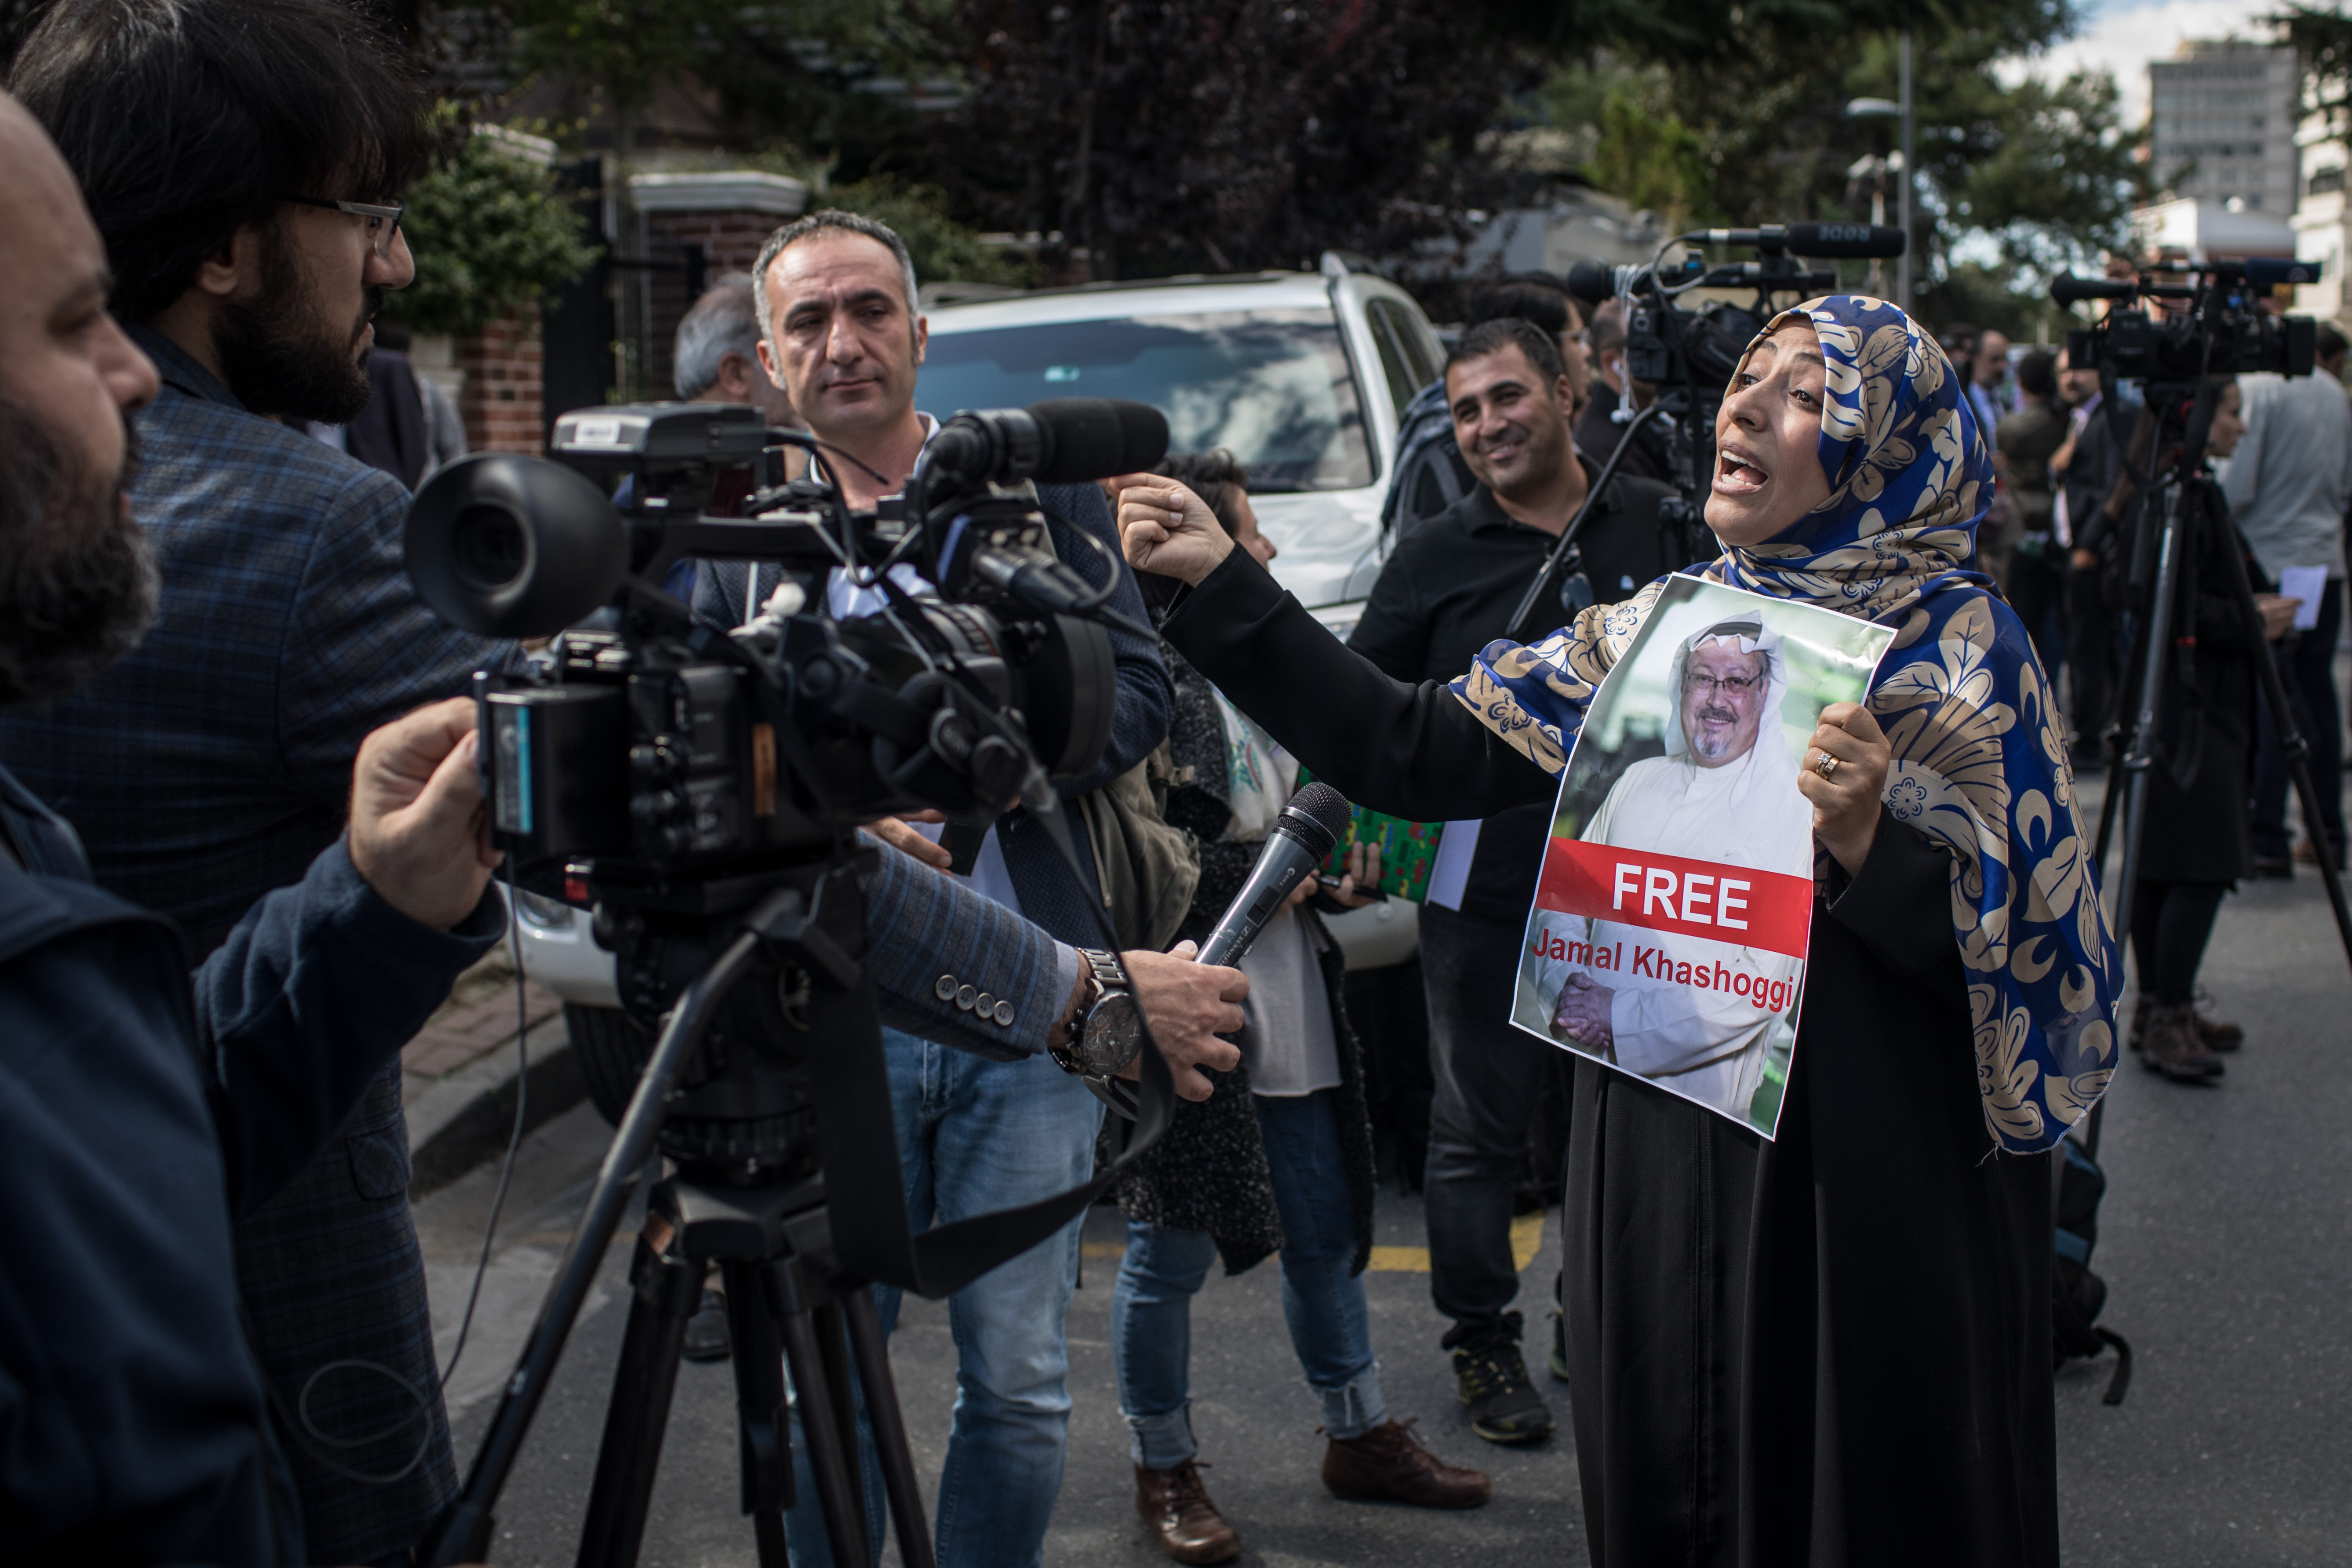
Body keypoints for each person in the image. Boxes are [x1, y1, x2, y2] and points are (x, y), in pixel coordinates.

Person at [1119, 292, 2123, 1566]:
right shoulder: (1662, 627)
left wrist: (1874, 842)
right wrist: (1226, 589)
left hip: (1852, 1176)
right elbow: (1412, 743)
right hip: (1655, 1144)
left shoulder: (1960, 649)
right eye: (1745, 378)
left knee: (1844, 1487)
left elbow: (2031, 952)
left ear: (1888, 447)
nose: (1745, 408)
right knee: (1665, 1461)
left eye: (1807, 394)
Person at [0, 6, 515, 1557]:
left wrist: (366, 905)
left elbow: (130, 1119)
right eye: (68, 321)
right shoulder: (331, 525)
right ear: (232, 245)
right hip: (287, 1386)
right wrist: (1072, 992)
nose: (131, 381)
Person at [705, 207, 1174, 1568]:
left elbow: (1139, 691)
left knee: (1019, 1383)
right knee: (825, 1378)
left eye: (867, 310)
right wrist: (833, 817)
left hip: (1026, 1000)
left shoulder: (1033, 498)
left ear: (918, 331)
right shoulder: (737, 523)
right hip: (824, 1010)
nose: (842, 342)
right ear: (765, 358)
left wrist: (989, 762)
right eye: (809, 320)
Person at [1113, 452, 1490, 1564]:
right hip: (1193, 990)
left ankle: (1358, 1428)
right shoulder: (1141, 677)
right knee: (1169, 1251)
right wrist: (1267, 874)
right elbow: (1129, 855)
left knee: (1326, 1227)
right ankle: (1164, 1462)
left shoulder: (1271, 665)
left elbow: (1343, 781)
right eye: (1245, 531)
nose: (1265, 552)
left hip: (1293, 984)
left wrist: (1345, 856)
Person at [1346, 315, 1680, 1446]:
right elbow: (1360, 704)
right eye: (1467, 410)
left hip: (1636, 883)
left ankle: (1593, 1323)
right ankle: (1479, 1340)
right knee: (1478, 1128)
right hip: (1483, 888)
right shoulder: (1436, 551)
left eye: (1506, 397)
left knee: (1619, 1119)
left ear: (1568, 385)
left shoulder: (1657, 511)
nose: (1487, 426)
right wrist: (1329, 819)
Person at [1533, 619, 1812, 1120]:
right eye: (1703, 678)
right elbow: (1564, 905)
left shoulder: (1791, 810)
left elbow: (1759, 989)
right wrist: (1567, 992)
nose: (1715, 699)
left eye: (1735, 682)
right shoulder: (1638, 780)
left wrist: (1617, 1019)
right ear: (1682, 687)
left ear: (1765, 693)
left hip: (1701, 1108)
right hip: (1593, 1070)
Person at [2108, 381, 2300, 1076]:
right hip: (2188, 708)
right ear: (2191, 418)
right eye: (2230, 412)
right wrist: (2253, 618)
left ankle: (2164, 1004)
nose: (2241, 427)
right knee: (2198, 863)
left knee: (2168, 861)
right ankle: (2164, 1012)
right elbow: (2165, 608)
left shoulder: (2174, 495)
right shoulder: (2170, 502)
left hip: (2187, 702)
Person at [2221, 328, 2350, 875]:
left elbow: (2236, 485)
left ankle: (2267, 833)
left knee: (2276, 701)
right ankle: (2326, 831)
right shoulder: (2331, 390)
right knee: (2315, 695)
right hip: (2322, 560)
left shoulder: (2259, 390)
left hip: (2270, 560)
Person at [1383, 274, 1587, 538]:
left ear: (1563, 396)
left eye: (1508, 399)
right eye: (1576, 338)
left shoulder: (1639, 507)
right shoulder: (1447, 456)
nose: (1490, 427)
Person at [1994, 349, 2069, 674]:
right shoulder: (2064, 421)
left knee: (2024, 621)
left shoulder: (2014, 427)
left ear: (2021, 381)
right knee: (2053, 624)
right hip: (2056, 526)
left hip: (2024, 529)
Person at [1573, 296, 1673, 484]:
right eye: (1649, 348)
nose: (1665, 354)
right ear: (1614, 362)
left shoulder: (1651, 417)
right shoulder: (1603, 445)